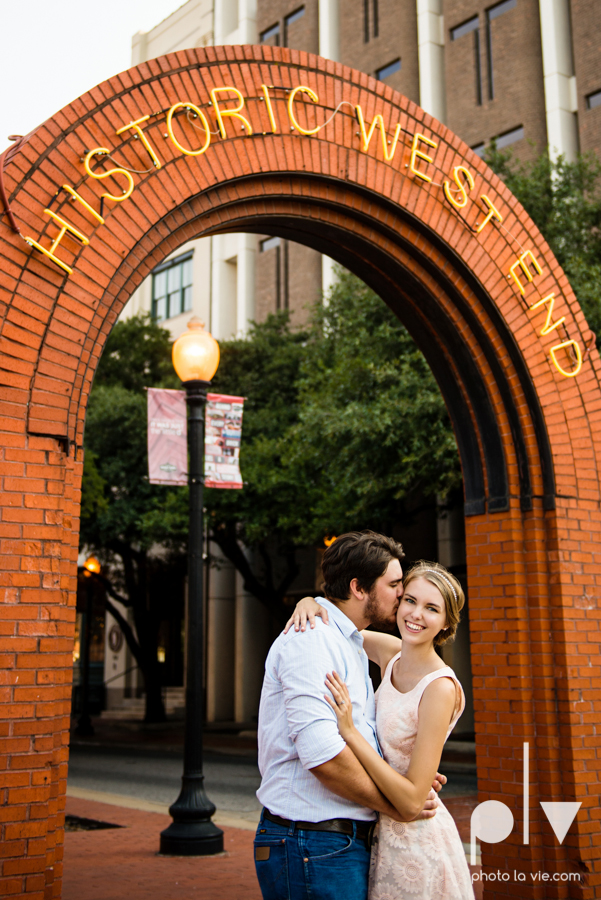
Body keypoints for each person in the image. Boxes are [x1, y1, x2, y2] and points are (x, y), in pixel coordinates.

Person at [254, 532, 445, 900]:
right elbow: (323, 757)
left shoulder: (351, 642)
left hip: (332, 843)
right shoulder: (312, 640)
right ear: (359, 588)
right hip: (311, 841)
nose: (401, 596)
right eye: (393, 585)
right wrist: (399, 803)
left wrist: (404, 776)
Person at [290, 560, 474, 900]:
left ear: (447, 621)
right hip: (378, 834)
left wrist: (351, 734)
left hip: (416, 844)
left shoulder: (440, 688)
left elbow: (411, 800)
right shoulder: (393, 654)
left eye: (432, 608)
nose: (416, 614)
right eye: (411, 601)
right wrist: (309, 603)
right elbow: (339, 624)